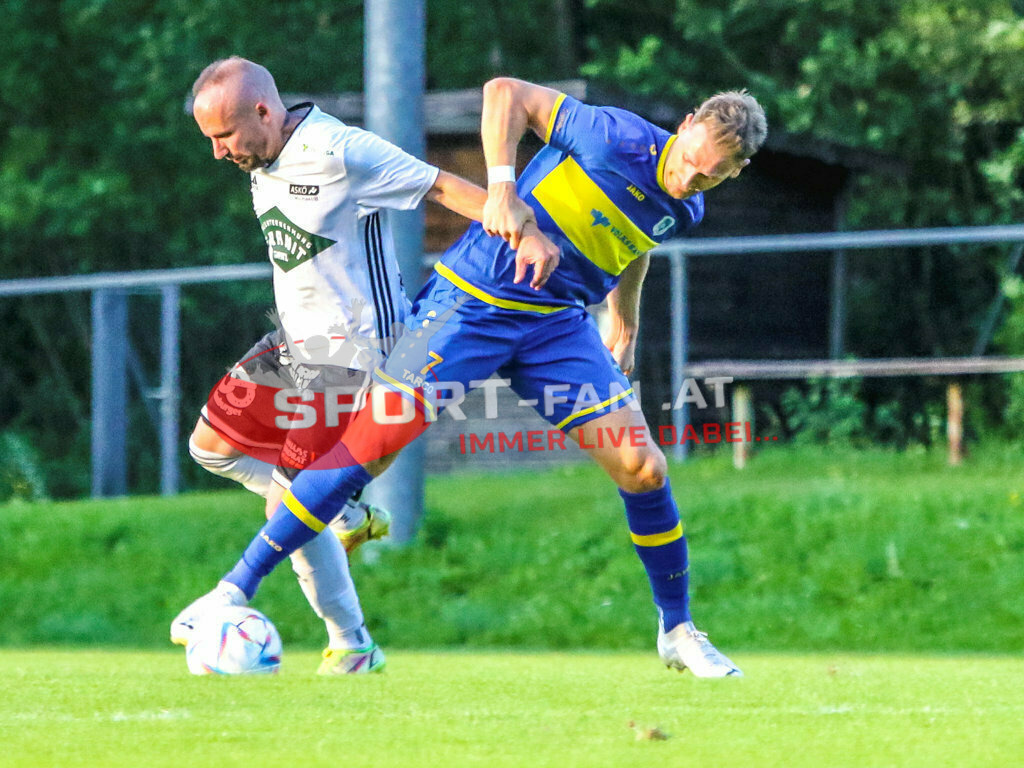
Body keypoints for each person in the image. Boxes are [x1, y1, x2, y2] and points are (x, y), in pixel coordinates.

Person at [177, 76, 767, 677]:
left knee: (644, 468)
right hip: (469, 301)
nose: (688, 179)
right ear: (685, 123)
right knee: (367, 453)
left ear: (733, 174)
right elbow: (504, 92)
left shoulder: (686, 203)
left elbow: (638, 236)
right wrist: (504, 192)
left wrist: (625, 318)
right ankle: (232, 591)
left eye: (710, 176)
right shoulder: (612, 134)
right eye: (690, 162)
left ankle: (678, 630)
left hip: (556, 327)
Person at [173, 58, 556, 675]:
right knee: (210, 446)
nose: (218, 153)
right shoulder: (264, 154)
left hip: (355, 356)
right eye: (210, 140)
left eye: (223, 136)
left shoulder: (338, 149)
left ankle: (351, 643)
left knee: (287, 510)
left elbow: (440, 186)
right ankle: (337, 508)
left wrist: (525, 229)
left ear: (263, 113)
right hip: (296, 345)